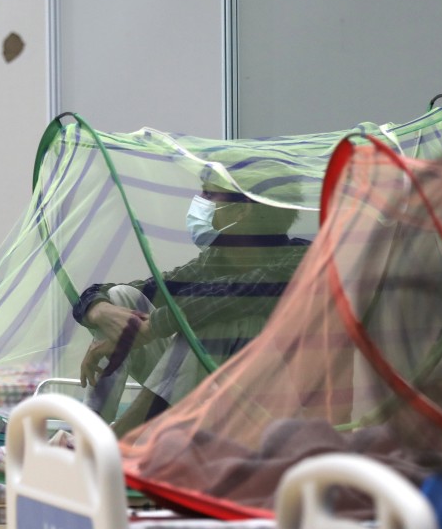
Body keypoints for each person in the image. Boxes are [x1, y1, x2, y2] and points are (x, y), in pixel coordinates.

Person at [73, 176, 309, 438]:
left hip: (269, 405)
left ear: (242, 210)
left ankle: (122, 439)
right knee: (121, 297)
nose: (199, 203)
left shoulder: (301, 260)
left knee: (212, 317)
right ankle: (89, 432)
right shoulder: (214, 262)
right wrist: (98, 309)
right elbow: (140, 290)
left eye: (209, 195)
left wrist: (153, 326)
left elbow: (233, 295)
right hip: (202, 395)